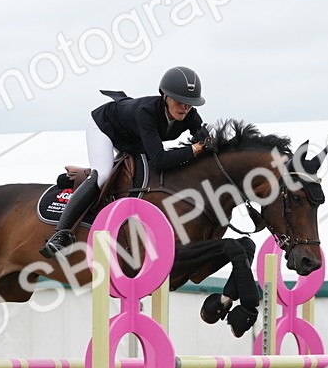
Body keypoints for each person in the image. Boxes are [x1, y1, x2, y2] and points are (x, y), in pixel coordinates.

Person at [39, 66, 214, 258]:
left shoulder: (190, 114)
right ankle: (60, 235)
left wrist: (215, 144)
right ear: (165, 96)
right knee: (103, 174)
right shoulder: (146, 112)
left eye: (189, 103)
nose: (185, 108)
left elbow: (205, 141)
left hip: (135, 138)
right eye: (180, 102)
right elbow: (161, 160)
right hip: (105, 127)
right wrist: (195, 149)